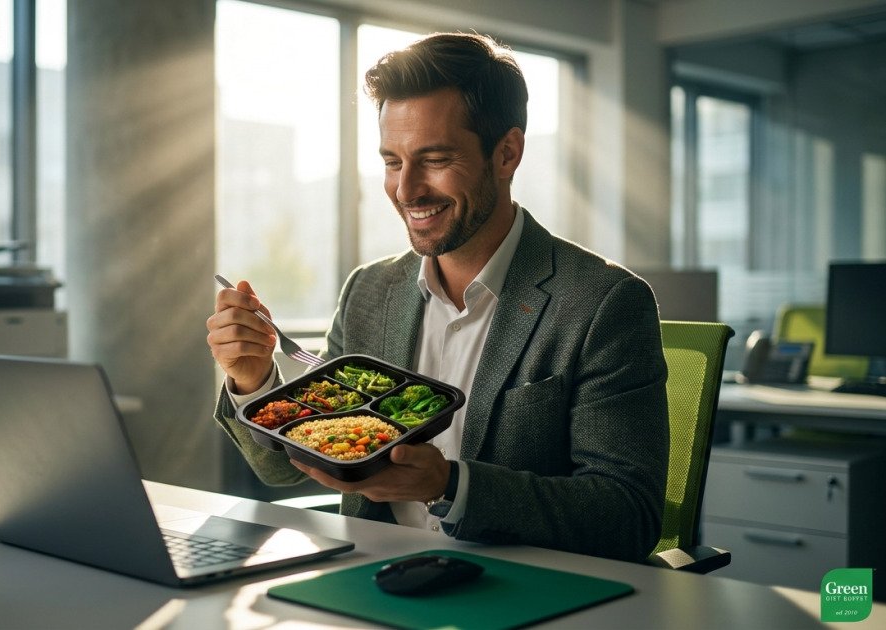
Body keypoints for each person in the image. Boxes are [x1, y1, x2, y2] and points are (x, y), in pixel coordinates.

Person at [207, 32, 668, 563]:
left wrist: (450, 484)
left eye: (435, 159)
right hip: (373, 578)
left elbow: (628, 517)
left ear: (507, 154)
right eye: (392, 162)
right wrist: (252, 378)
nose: (407, 191)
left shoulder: (604, 304)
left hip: (518, 592)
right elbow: (285, 467)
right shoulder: (368, 291)